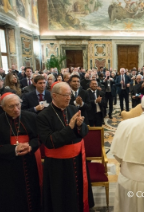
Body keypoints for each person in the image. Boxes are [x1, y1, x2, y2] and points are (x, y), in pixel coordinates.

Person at [37, 82, 94, 212]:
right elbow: (50, 142)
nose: (69, 98)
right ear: (55, 96)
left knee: (79, 191)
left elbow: (84, 133)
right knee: (61, 197)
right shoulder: (43, 116)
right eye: (65, 95)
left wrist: (80, 126)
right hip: (58, 165)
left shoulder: (73, 109)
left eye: (69, 95)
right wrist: (71, 128)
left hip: (78, 160)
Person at [0, 93, 42, 212]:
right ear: (3, 107)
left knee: (31, 194)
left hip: (29, 162)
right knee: (10, 199)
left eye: (18, 105)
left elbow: (39, 138)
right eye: (11, 107)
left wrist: (30, 146)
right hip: (5, 169)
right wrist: (14, 149)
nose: (16, 109)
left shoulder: (31, 117)